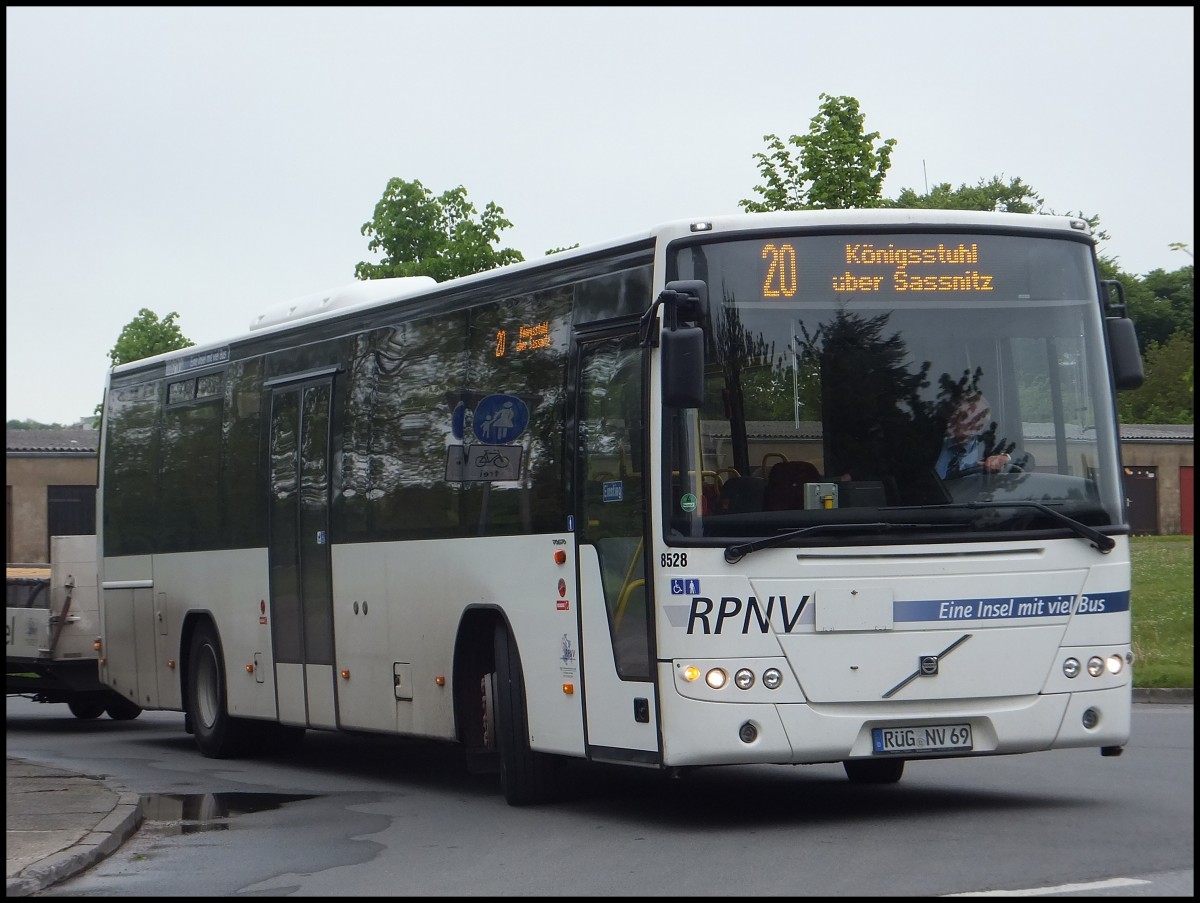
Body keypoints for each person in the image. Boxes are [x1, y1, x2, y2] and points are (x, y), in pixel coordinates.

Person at [935, 392, 1014, 478]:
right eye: (957, 413)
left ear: (978, 428)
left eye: (964, 417)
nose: (956, 419)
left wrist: (1005, 458)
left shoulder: (985, 451)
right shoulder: (934, 441)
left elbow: (1016, 454)